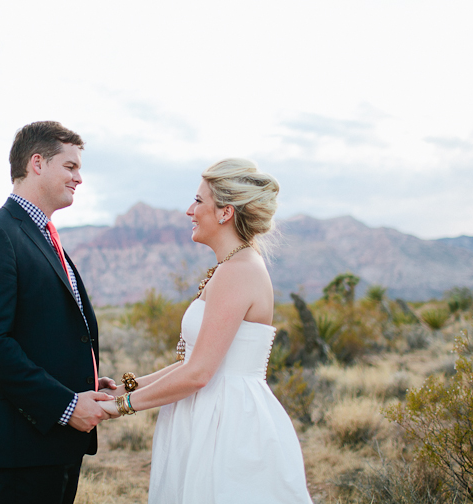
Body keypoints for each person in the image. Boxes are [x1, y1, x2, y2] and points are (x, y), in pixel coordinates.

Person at [101, 159, 314, 504]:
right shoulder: (230, 268)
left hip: (228, 424)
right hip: (208, 413)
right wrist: (126, 388)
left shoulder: (239, 271)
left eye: (199, 201)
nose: (189, 210)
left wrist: (119, 408)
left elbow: (199, 373)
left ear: (225, 212)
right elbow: (194, 364)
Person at [0, 121, 117, 504]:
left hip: (55, 439)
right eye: (71, 166)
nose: (79, 178)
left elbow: (44, 330)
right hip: (19, 444)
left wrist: (87, 380)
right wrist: (65, 404)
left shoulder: (43, 234)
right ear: (38, 163)